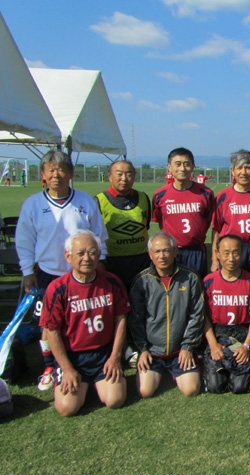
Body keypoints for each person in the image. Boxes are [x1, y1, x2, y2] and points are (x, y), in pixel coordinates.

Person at [16, 150, 108, 391]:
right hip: (49, 273)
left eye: (61, 170)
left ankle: (88, 357)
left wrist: (101, 260)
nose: (56, 175)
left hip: (84, 274)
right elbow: (24, 241)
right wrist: (27, 271)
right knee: (48, 324)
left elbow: (99, 235)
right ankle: (48, 366)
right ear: (43, 175)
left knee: (84, 316)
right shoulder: (33, 205)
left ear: (71, 174)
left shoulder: (85, 201)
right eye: (51, 170)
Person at [40, 231, 128, 416]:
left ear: (98, 254)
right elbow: (52, 330)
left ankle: (93, 384)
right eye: (80, 253)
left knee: (115, 400)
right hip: (73, 357)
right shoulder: (57, 288)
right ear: (68, 256)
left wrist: (115, 357)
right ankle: (79, 383)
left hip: (103, 354)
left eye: (92, 252)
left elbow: (121, 319)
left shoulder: (112, 282)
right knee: (67, 408)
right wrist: (66, 368)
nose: (87, 258)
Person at [129, 232, 204, 398]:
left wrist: (187, 347)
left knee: (191, 390)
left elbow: (197, 315)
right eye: (157, 252)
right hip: (152, 352)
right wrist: (143, 349)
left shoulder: (190, 278)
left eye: (166, 250)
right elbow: (136, 320)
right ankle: (157, 372)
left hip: (179, 351)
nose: (161, 256)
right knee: (145, 391)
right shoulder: (141, 281)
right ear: (150, 254)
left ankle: (180, 369)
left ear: (175, 251)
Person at [201, 235, 250, 394]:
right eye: (225, 253)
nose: (231, 258)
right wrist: (213, 345)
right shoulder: (208, 282)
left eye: (235, 253)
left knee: (240, 387)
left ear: (242, 253)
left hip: (242, 334)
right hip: (218, 334)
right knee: (215, 387)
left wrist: (247, 345)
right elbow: (204, 317)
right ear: (217, 254)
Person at [152, 147, 216, 278]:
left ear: (193, 166)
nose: (182, 168)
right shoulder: (160, 195)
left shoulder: (206, 193)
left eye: (187, 164)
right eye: (178, 164)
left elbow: (209, 221)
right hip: (170, 251)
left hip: (196, 251)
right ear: (169, 167)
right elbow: (161, 222)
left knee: (196, 290)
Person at [95, 160, 151, 291]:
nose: (124, 179)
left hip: (141, 262)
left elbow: (145, 226)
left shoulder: (144, 198)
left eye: (129, 174)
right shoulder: (99, 201)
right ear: (109, 176)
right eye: (119, 174)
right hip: (112, 264)